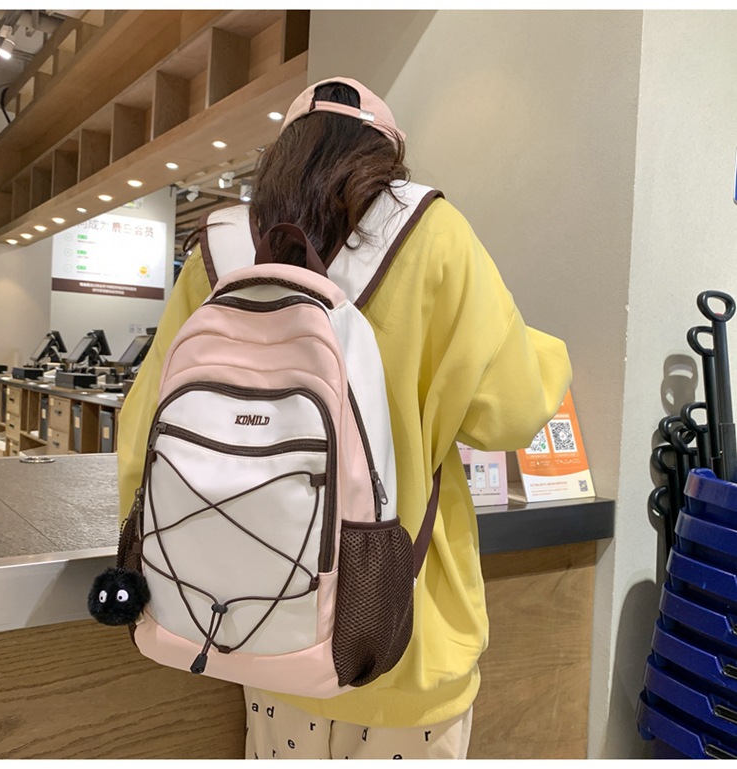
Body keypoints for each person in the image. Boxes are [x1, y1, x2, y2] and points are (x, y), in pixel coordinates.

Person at [117, 76, 572, 760]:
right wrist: (545, 353)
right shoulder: (434, 234)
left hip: (263, 631)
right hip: (403, 639)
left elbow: (140, 439)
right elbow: (508, 413)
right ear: (385, 160)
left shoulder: (217, 255)